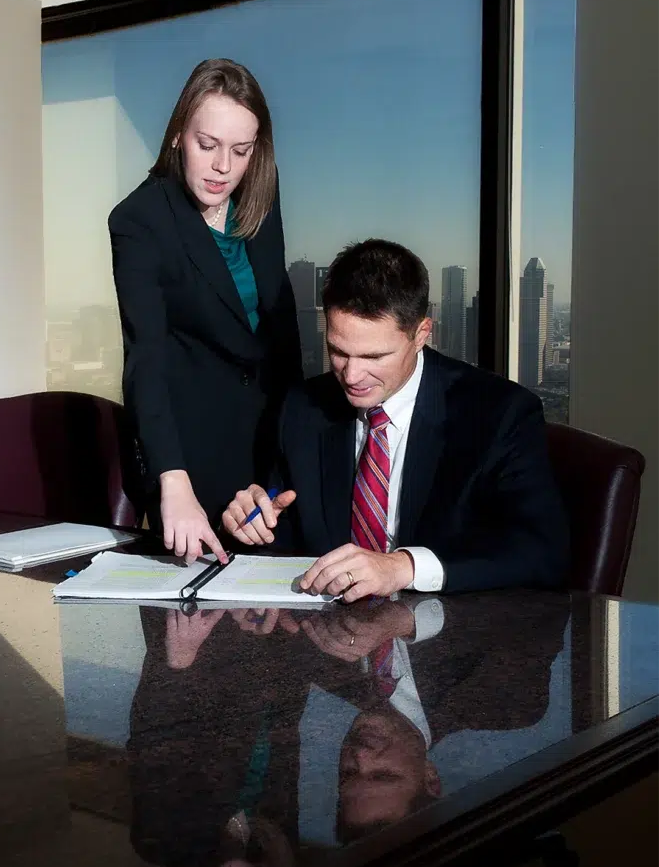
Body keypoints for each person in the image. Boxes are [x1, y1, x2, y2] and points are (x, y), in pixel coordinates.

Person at [222, 238, 569, 598]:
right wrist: (256, 524)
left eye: (374, 357)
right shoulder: (302, 408)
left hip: (448, 637)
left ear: (420, 334)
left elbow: (542, 553)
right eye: (338, 351)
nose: (351, 376)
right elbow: (289, 534)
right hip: (333, 637)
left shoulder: (497, 414)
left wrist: (404, 566)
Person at [109, 58, 302, 563]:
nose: (223, 168)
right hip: (191, 454)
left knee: (285, 618)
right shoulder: (139, 221)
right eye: (207, 145)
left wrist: (299, 440)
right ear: (178, 136)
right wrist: (173, 482)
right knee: (197, 624)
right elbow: (145, 358)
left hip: (272, 440)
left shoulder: (260, 189)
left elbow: (280, 322)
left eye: (241, 151)